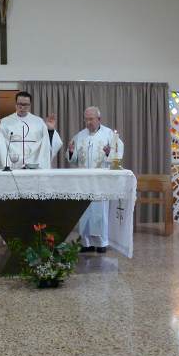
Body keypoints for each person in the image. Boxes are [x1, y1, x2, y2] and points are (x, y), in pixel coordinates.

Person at [66, 106, 124, 253]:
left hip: (100, 180)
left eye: (91, 119)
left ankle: (101, 243)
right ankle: (85, 243)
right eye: (86, 119)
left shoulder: (109, 134)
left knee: (100, 212)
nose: (88, 122)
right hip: (84, 181)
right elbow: (73, 159)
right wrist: (71, 152)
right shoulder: (80, 136)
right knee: (84, 212)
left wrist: (110, 153)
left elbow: (117, 154)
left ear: (99, 119)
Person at [0, 91, 62, 169]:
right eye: (20, 104)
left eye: (25, 105)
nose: (22, 107)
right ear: (15, 104)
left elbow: (49, 144)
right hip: (12, 166)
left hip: (34, 167)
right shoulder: (5, 122)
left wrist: (50, 130)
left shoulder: (39, 122)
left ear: (30, 105)